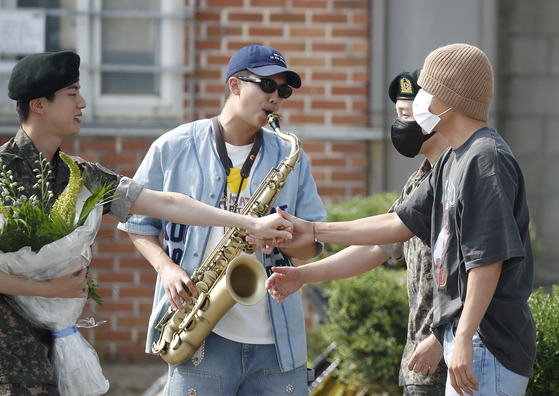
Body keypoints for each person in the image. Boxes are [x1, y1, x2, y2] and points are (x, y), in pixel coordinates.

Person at [0, 50, 293, 395]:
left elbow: (165, 202)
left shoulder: (83, 176)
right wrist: (46, 290)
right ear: (39, 105)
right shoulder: (4, 172)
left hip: (54, 355)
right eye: (72, 94)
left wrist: (247, 223)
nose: (82, 103)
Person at [262, 43, 536, 396]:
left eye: (429, 89)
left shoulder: (485, 159)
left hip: (486, 343)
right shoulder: (455, 160)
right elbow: (395, 226)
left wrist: (464, 335)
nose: (420, 100)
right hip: (467, 340)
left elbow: (488, 260)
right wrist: (312, 229)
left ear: (450, 96)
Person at [117, 44, 326, 396]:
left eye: (284, 90)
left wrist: (287, 238)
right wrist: (166, 268)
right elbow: (136, 223)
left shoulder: (291, 155)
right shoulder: (174, 146)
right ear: (235, 85)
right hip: (201, 335)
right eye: (267, 86)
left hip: (278, 344)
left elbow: (312, 244)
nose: (276, 98)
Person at [263, 69, 449, 395]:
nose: (401, 125)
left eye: (408, 115)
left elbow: (473, 268)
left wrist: (314, 229)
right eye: (398, 115)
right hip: (421, 365)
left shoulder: (459, 175)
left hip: (452, 359)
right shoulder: (418, 182)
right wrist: (303, 274)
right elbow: (377, 247)